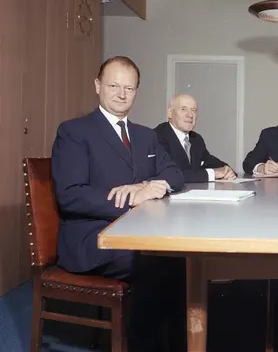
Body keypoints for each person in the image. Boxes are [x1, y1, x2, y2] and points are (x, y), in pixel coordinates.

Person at [51, 56, 186, 352]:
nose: (122, 94)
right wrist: (131, 199)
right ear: (97, 86)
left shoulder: (146, 135)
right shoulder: (74, 132)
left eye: (129, 88)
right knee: (153, 262)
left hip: (139, 232)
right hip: (93, 237)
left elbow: (175, 174)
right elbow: (70, 194)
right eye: (114, 86)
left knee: (180, 259)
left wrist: (145, 186)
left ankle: (178, 344)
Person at [155, 94, 236, 183]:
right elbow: (171, 173)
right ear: (170, 113)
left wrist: (227, 170)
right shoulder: (156, 137)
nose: (190, 115)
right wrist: (213, 174)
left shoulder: (196, 139)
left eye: (193, 110)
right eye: (183, 109)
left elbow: (212, 162)